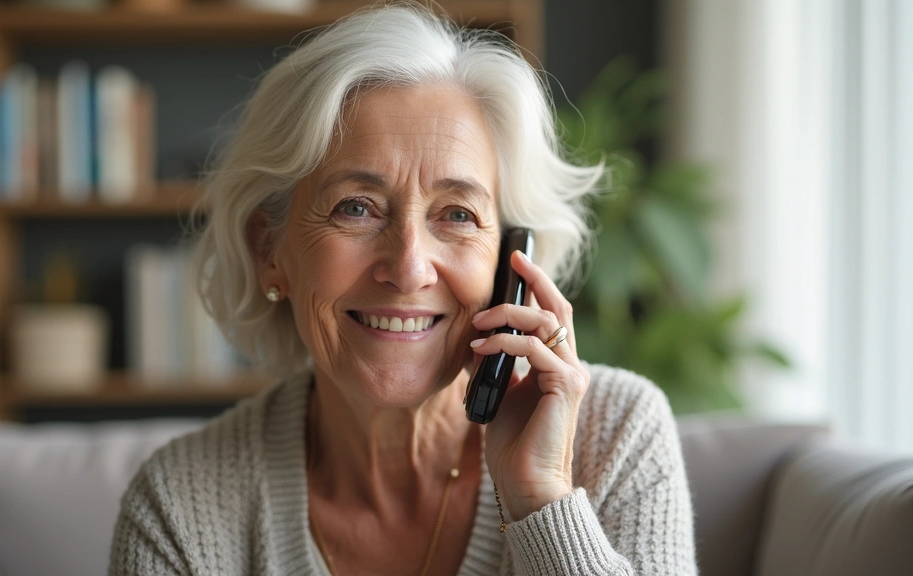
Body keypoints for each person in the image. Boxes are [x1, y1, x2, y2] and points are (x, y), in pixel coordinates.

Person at [109, 3, 697, 575]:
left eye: (458, 215)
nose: (410, 266)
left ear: (511, 260)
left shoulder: (618, 434)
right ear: (270, 251)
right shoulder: (177, 507)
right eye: (356, 208)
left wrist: (540, 502)